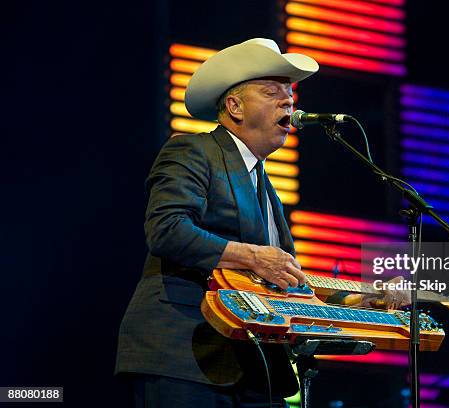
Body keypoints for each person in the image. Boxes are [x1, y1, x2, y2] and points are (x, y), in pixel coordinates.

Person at [115, 38, 319, 407]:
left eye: (289, 93)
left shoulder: (264, 184)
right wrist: (254, 257)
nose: (288, 101)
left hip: (255, 369)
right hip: (184, 354)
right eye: (272, 91)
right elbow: (167, 229)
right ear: (234, 106)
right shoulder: (192, 150)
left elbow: (283, 277)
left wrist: (367, 299)